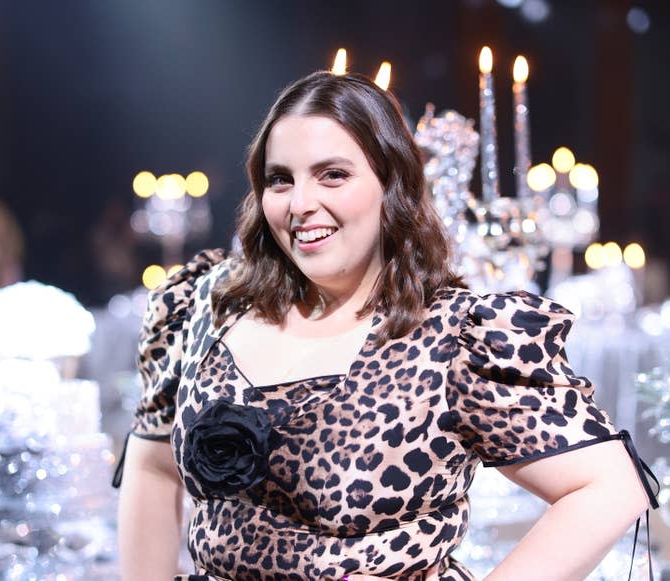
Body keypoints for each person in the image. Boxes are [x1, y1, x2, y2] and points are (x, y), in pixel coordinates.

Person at [114, 71, 658, 581]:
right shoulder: (209, 303)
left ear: (390, 183)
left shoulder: (451, 337)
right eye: (280, 180)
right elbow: (154, 467)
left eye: (333, 175)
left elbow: (609, 485)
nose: (301, 204)